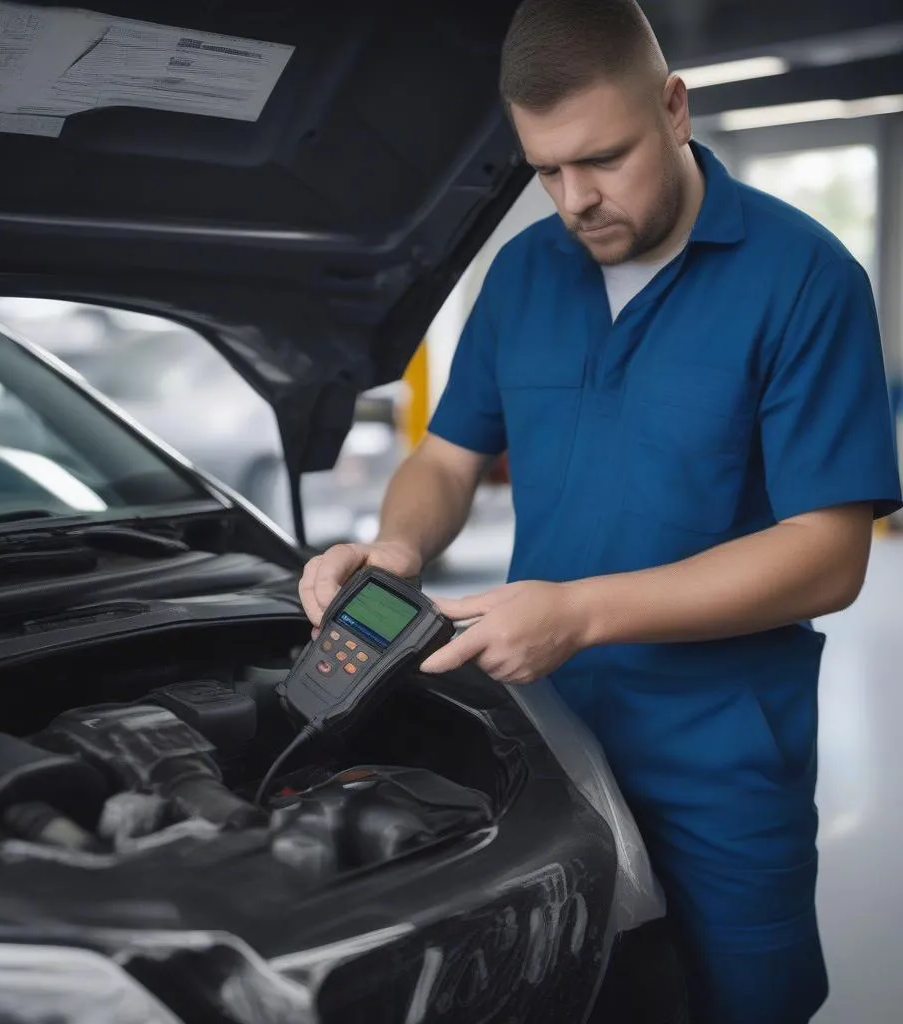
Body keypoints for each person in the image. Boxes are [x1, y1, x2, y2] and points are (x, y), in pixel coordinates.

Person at [298, 1, 903, 1020]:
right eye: (544, 169)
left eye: (603, 157)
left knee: (744, 996)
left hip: (720, 748)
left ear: (673, 106)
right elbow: (446, 457)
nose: (574, 199)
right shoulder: (524, 274)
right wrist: (393, 549)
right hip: (539, 734)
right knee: (570, 987)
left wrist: (577, 612)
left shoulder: (804, 279)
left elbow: (826, 555)